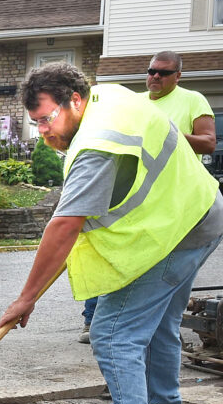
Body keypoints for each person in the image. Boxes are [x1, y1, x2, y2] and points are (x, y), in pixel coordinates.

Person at [0, 62, 223, 404]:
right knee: (158, 328)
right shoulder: (110, 97)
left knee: (114, 333)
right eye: (35, 124)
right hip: (197, 213)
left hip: (176, 230)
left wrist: (26, 297)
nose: (44, 131)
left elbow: (65, 226)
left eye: (47, 119)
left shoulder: (98, 146)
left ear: (75, 101)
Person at [77, 52, 220, 345]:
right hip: (138, 198)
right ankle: (94, 317)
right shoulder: (136, 103)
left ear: (178, 76)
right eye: (151, 71)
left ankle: (154, 327)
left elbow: (208, 142)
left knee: (159, 270)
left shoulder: (192, 100)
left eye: (164, 73)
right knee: (116, 254)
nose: (155, 77)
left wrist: (171, 135)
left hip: (177, 199)